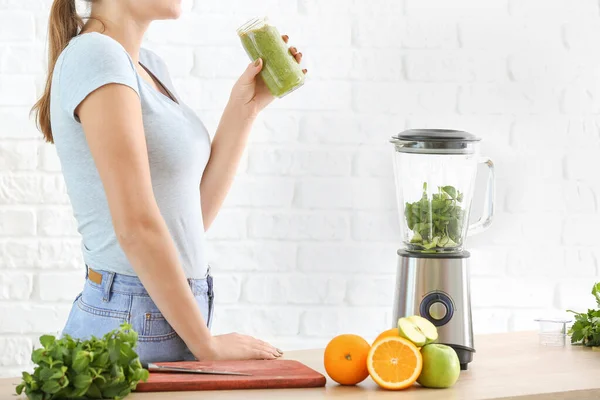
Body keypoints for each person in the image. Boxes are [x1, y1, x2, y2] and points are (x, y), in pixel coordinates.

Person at [32, 0, 306, 365]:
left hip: (162, 312)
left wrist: (248, 107)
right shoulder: (95, 56)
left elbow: (189, 219)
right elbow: (135, 226)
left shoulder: (147, 64)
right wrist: (207, 345)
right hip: (130, 317)